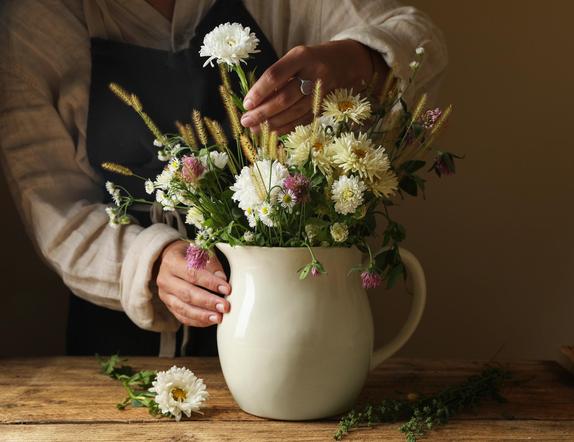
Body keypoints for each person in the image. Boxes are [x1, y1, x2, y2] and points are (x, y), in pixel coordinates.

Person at [0, 0, 447, 357]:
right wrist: (151, 262)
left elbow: (419, 39)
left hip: (284, 322)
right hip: (117, 349)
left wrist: (360, 61)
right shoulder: (36, 25)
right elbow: (55, 212)